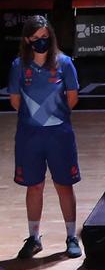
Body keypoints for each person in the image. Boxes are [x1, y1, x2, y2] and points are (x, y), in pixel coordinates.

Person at [11, 16, 84, 256]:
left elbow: (72, 97)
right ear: (27, 40)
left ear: (51, 37)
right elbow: (15, 101)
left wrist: (54, 117)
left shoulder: (64, 63)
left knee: (64, 185)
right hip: (29, 137)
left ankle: (72, 237)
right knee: (34, 186)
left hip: (59, 136)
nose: (41, 42)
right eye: (36, 39)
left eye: (45, 37)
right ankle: (34, 238)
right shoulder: (19, 66)